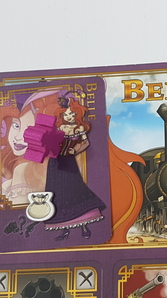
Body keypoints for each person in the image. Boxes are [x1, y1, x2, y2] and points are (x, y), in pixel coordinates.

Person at [24, 91, 106, 239]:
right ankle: (64, 229)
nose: (69, 117)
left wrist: (75, 150)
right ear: (61, 115)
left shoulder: (79, 129)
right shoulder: (58, 128)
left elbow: (85, 142)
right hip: (55, 162)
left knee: (75, 188)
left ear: (77, 114)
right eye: (66, 115)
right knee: (56, 192)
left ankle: (84, 226)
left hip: (69, 162)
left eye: (72, 114)